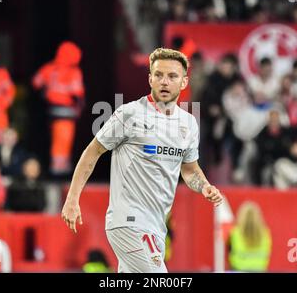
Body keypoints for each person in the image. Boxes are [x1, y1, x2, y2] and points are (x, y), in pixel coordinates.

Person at [61, 48, 223, 273]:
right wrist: (72, 199)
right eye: (158, 75)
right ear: (150, 79)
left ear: (184, 82)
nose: (164, 82)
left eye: (172, 76)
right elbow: (93, 152)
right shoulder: (130, 114)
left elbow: (189, 169)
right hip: (128, 221)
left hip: (157, 226)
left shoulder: (188, 123)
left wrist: (204, 186)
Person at [32, 41, 85, 175]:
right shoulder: (74, 72)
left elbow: (36, 82)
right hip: (66, 113)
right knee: (63, 144)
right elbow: (78, 94)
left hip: (50, 112)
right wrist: (79, 108)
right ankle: (59, 171)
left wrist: (46, 92)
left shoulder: (49, 69)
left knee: (54, 142)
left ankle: (55, 168)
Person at [228, 201, 272, 272]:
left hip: (239, 269)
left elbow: (230, 252)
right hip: (260, 270)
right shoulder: (265, 232)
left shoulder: (235, 232)